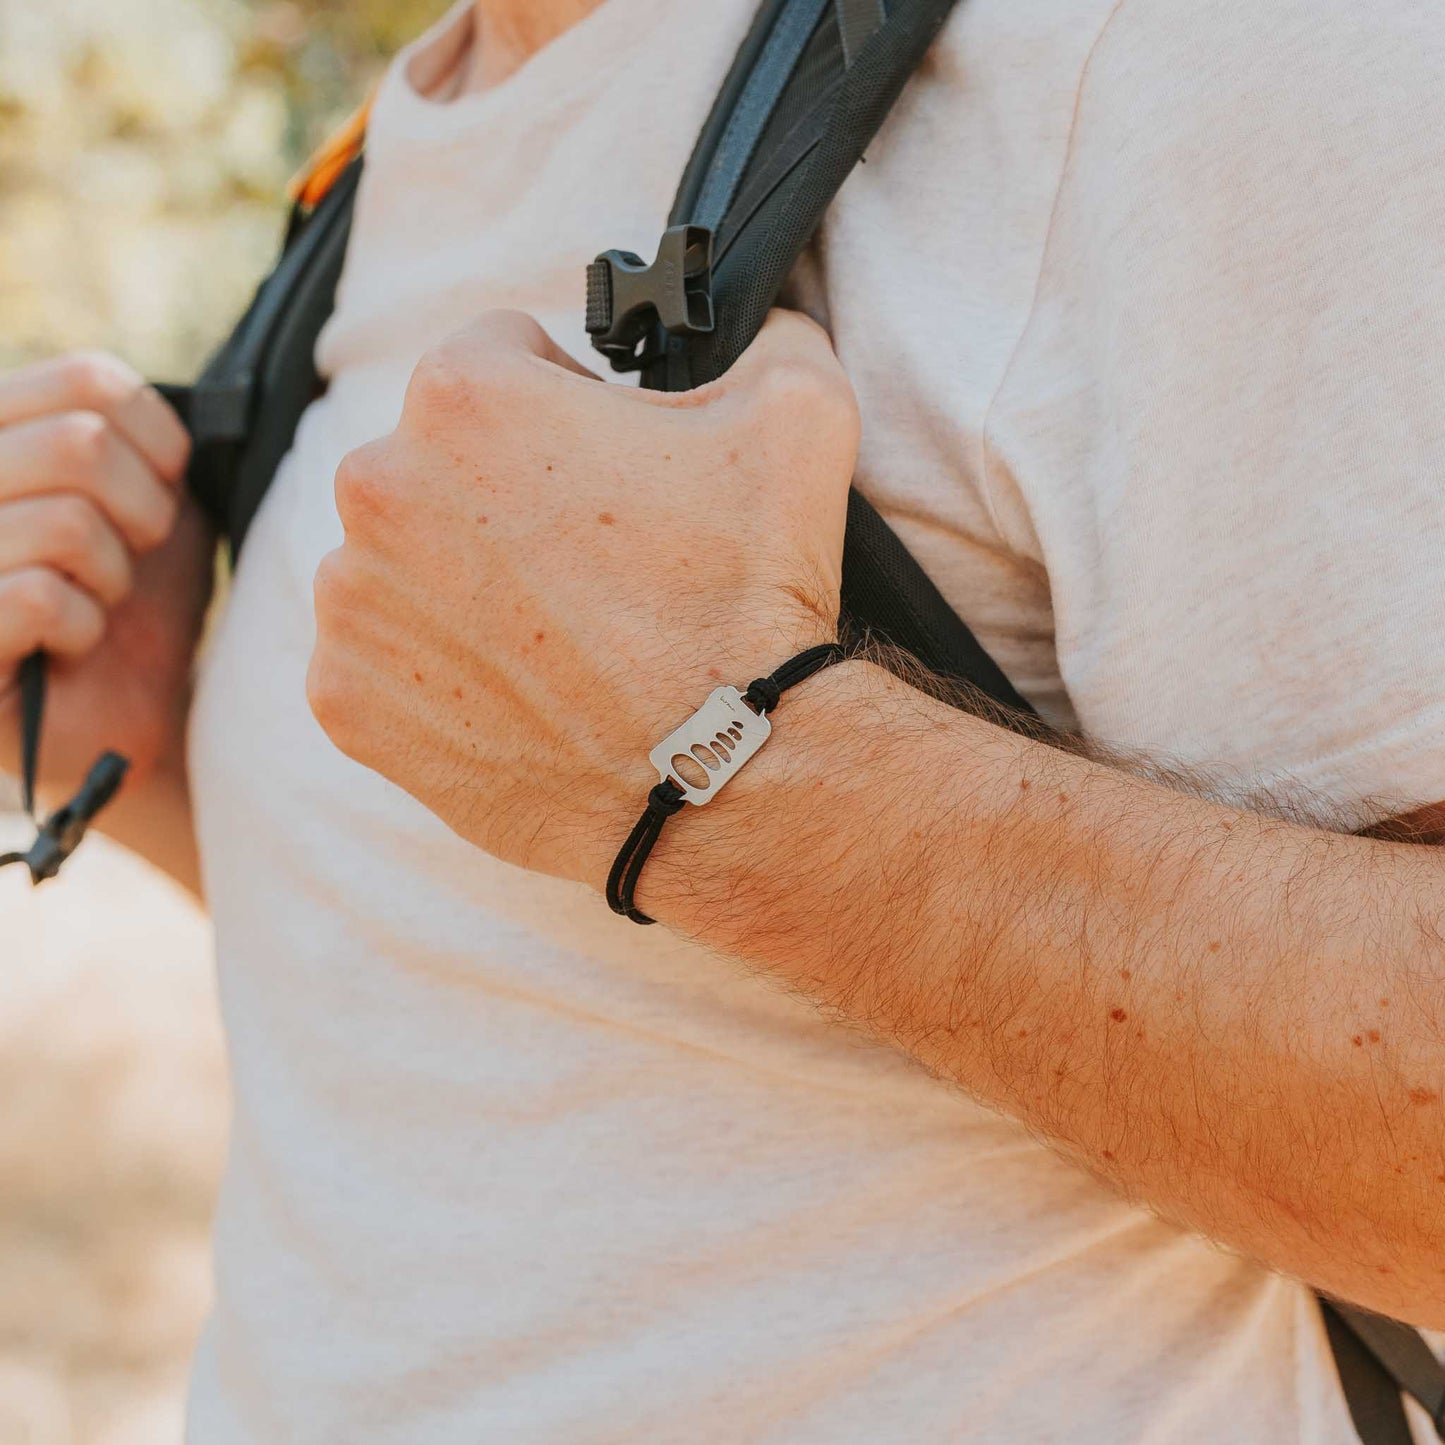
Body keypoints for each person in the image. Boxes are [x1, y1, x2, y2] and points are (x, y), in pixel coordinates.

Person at [1, 0, 1442, 1438]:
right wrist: (153, 751)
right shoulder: (397, 144)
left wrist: (737, 770)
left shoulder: (1186, 49)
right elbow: (536, 1029)